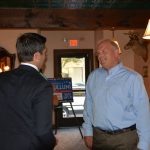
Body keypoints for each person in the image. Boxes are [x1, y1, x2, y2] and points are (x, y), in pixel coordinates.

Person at [82, 39, 150, 150]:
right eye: (98, 53)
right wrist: (88, 131)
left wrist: (144, 144)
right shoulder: (93, 77)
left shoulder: (133, 78)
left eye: (104, 51)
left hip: (125, 139)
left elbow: (143, 113)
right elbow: (88, 106)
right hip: (99, 138)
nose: (100, 55)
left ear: (116, 53)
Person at [0, 33, 56, 150]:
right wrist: (52, 142)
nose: (45, 58)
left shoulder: (2, 78)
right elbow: (42, 132)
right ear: (36, 56)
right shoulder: (42, 85)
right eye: (45, 53)